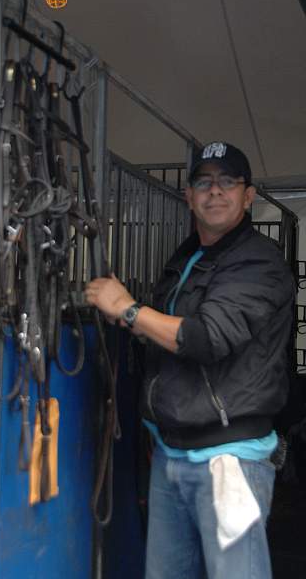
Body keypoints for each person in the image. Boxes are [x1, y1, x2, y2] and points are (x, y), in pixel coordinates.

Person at [85, 141, 295, 579]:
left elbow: (205, 338)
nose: (214, 192)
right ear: (188, 195)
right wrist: (134, 321)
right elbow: (172, 332)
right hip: (171, 452)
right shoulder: (188, 257)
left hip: (229, 460)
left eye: (227, 182)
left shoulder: (259, 261)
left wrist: (128, 309)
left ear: (248, 195)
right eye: (203, 182)